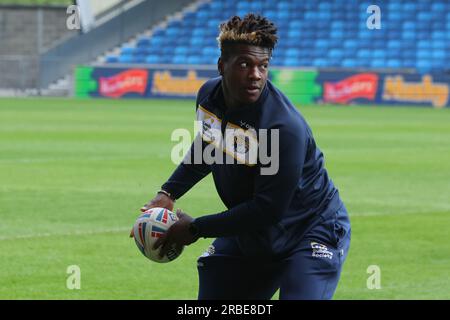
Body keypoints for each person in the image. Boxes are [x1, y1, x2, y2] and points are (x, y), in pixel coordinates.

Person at [132, 13, 351, 300]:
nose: (256, 74)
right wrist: (168, 192)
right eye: (245, 64)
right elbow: (208, 146)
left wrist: (196, 228)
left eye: (263, 65)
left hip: (310, 231)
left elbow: (267, 210)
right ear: (222, 66)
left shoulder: (282, 128)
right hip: (255, 234)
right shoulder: (209, 96)